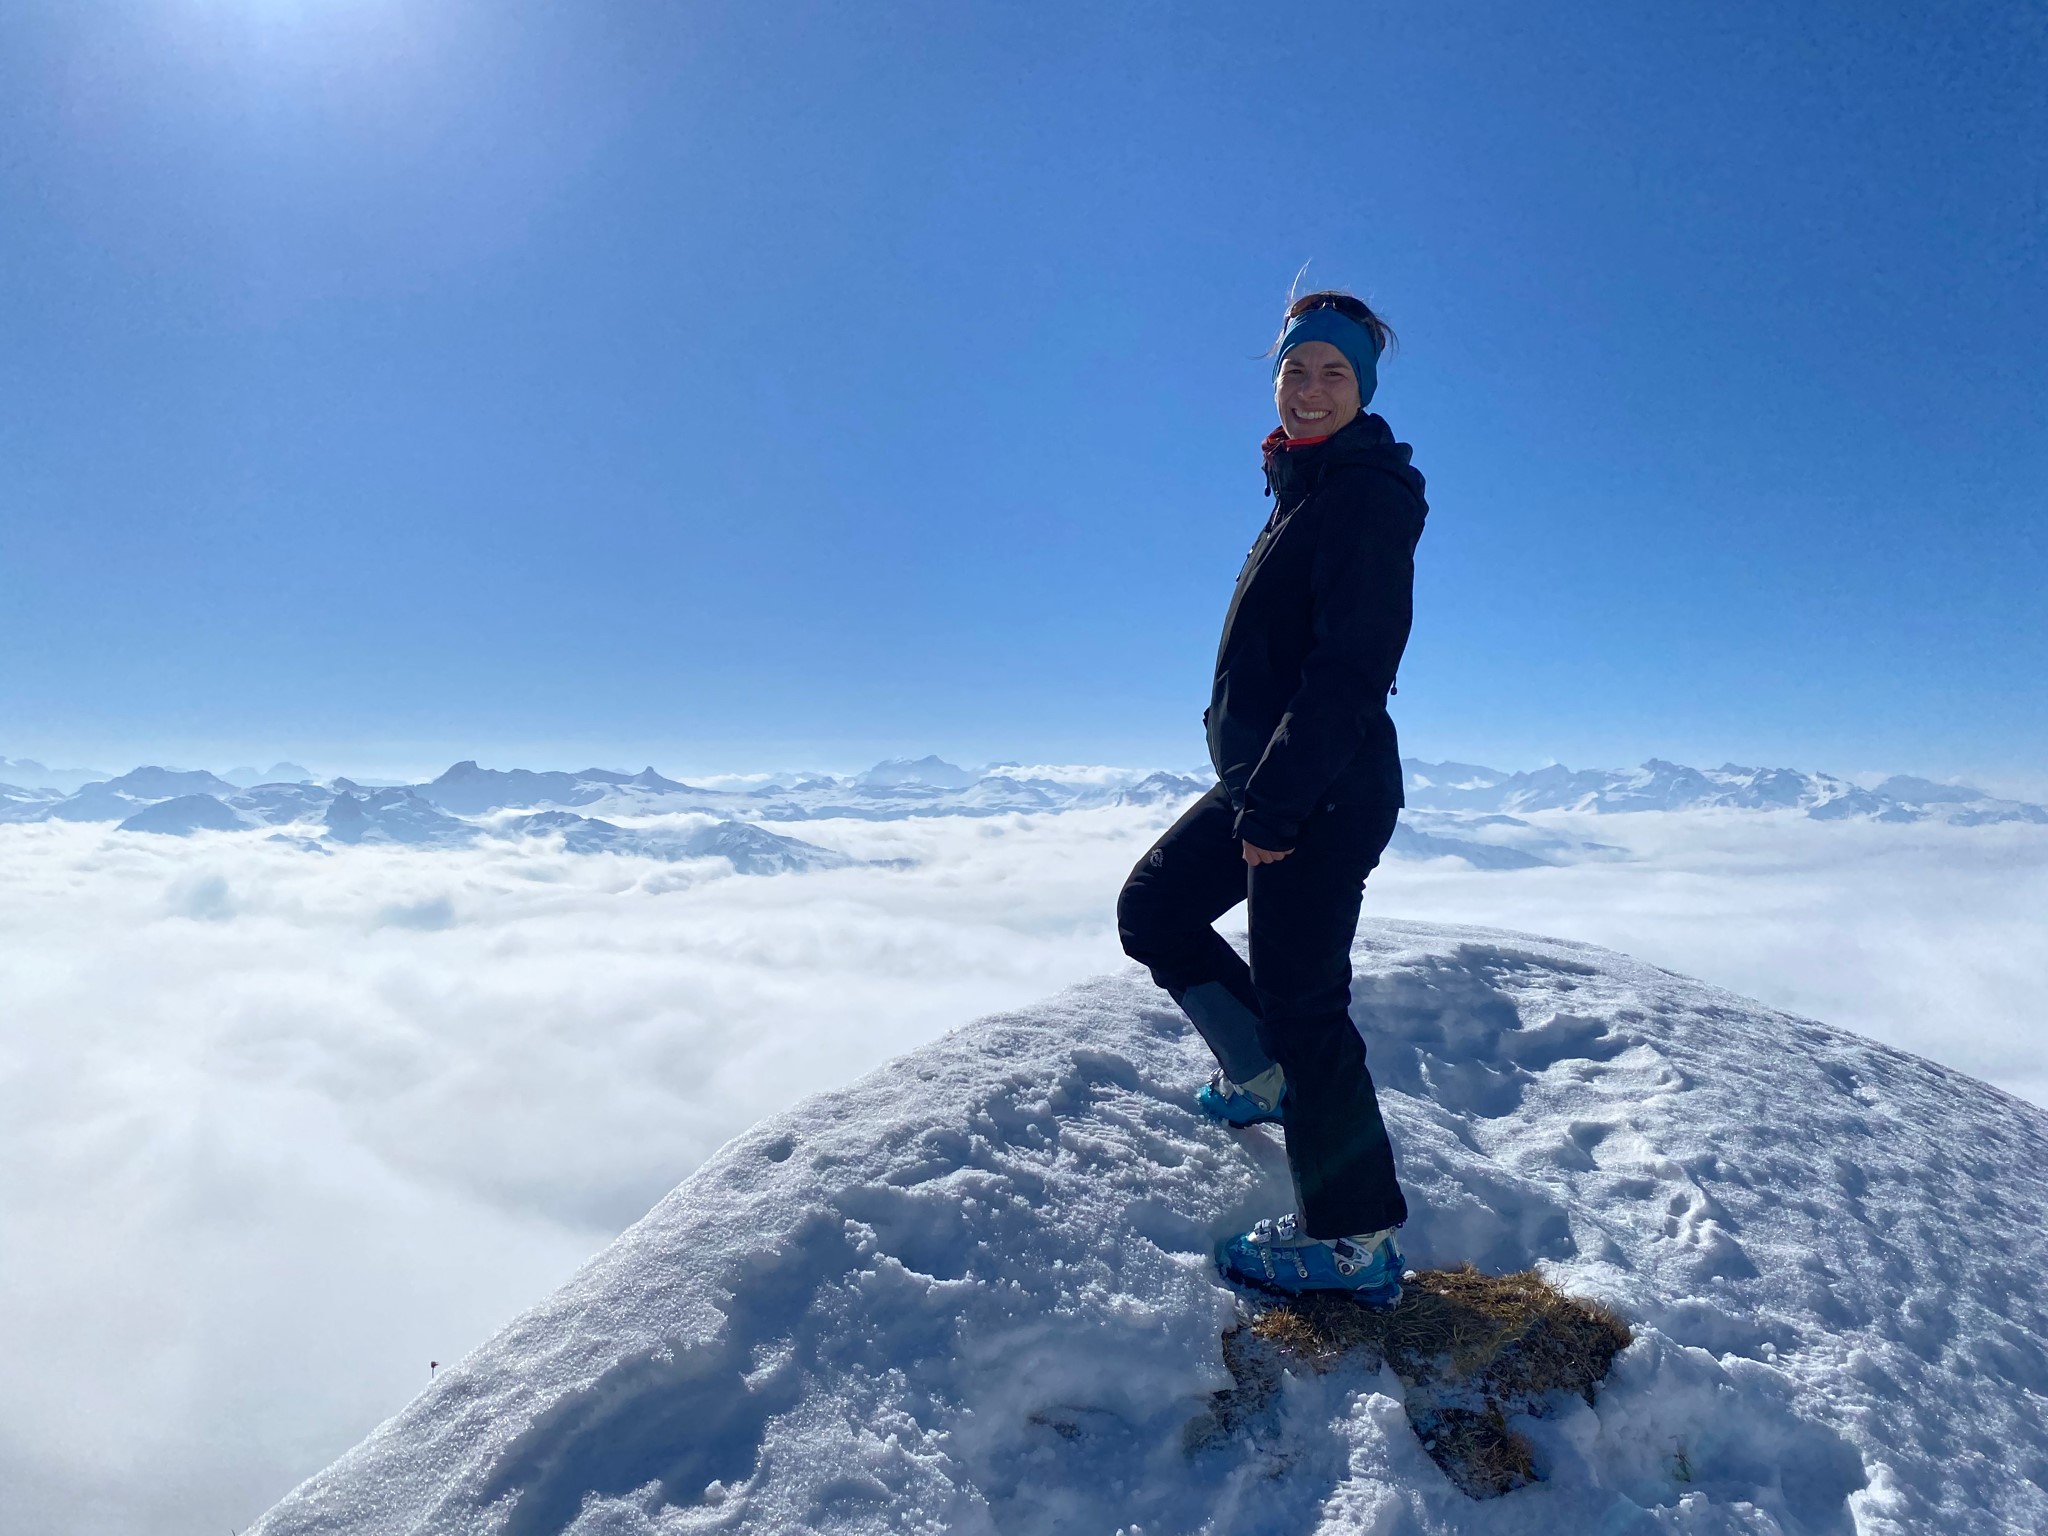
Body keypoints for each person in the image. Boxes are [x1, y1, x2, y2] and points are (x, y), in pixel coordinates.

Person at [1116, 289, 1428, 1304]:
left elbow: (1350, 669)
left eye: (1334, 373)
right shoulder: (1303, 484)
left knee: (1305, 1005)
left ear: (1363, 388)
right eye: (1295, 370)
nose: (1309, 389)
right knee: (1154, 906)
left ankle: (1353, 1237)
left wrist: (1278, 809)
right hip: (1269, 781)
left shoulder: (1365, 495)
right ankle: (1259, 1079)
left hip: (1318, 791)